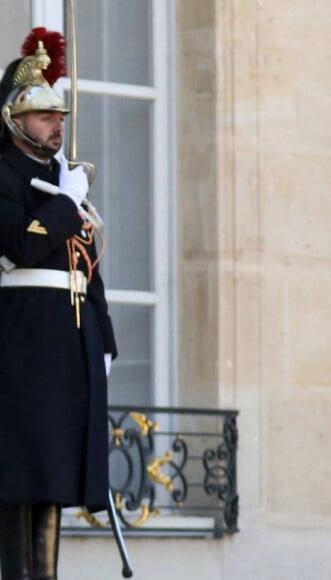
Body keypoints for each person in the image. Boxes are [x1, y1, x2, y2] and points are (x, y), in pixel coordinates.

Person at [0, 28, 116, 579]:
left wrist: (106, 339)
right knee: (19, 477)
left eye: (59, 115)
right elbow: (21, 242)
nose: (57, 124)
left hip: (68, 344)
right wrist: (67, 205)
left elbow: (87, 269)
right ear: (14, 121)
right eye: (44, 115)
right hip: (22, 343)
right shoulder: (4, 176)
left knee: (52, 478)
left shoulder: (67, 183)